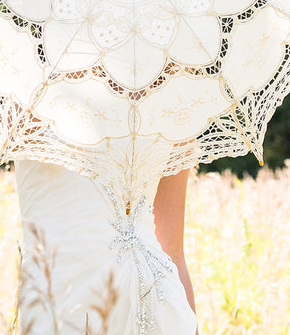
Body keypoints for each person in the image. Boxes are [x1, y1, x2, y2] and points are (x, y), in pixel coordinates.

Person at [14, 141, 198, 335]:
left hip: (156, 304)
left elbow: (173, 253)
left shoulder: (176, 115)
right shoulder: (29, 116)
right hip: (61, 303)